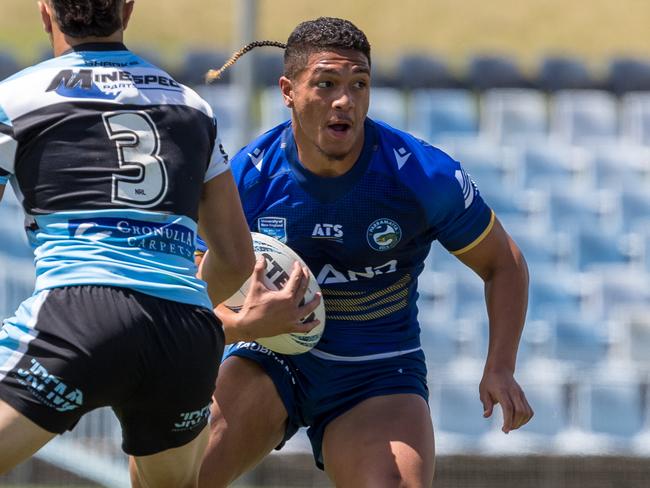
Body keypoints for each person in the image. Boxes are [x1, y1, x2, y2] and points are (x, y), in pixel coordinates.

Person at [195, 17, 534, 488]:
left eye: (359, 84)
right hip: (269, 356)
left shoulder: (421, 176)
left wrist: (500, 366)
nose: (345, 101)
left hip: (377, 372)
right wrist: (245, 325)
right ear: (288, 91)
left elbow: (505, 264)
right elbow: (190, 299)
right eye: (327, 83)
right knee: (177, 477)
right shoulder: (248, 180)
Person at [0, 1, 319, 487]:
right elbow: (235, 260)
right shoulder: (193, 106)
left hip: (77, 314)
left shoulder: (14, 97)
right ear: (127, 10)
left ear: (47, 11)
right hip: (185, 338)